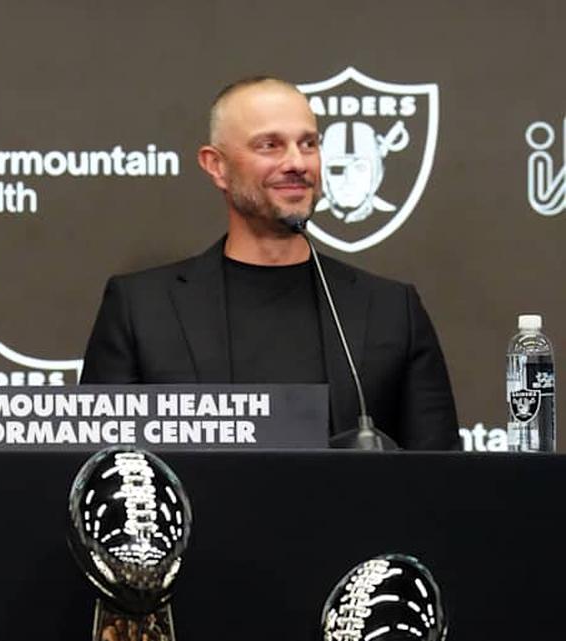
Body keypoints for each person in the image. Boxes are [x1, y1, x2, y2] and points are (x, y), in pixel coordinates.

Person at [80, 77, 458, 450]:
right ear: (216, 166)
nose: (296, 162)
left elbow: (444, 482)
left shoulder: (391, 310)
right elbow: (99, 473)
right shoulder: (142, 309)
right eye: (270, 145)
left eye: (308, 143)